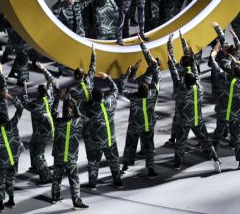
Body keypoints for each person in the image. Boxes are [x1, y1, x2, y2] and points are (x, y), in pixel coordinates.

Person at [167, 36, 221, 172]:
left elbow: (174, 70)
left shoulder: (181, 88)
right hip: (198, 120)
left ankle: (178, 163)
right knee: (206, 141)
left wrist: (169, 45)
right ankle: (215, 159)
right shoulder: (198, 86)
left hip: (184, 120)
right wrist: (187, 49)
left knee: (180, 142)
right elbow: (194, 70)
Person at [120, 42, 160, 178]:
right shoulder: (152, 96)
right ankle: (150, 170)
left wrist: (129, 73)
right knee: (149, 148)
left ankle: (125, 166)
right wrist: (154, 65)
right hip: (148, 126)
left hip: (134, 126)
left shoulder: (133, 98)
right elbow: (156, 77)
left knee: (130, 145)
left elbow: (123, 88)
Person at [84, 70, 125, 188]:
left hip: (96, 141)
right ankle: (118, 182)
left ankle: (92, 184)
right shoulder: (110, 101)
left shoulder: (91, 108)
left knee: (93, 162)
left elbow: (83, 111)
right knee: (114, 161)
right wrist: (108, 78)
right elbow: (115, 90)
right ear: (103, 95)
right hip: (110, 139)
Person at [50, 99, 89, 209]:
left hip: (59, 156)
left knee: (56, 177)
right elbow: (83, 117)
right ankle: (76, 202)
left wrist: (57, 99)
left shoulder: (57, 123)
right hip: (71, 158)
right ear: (72, 113)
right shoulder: (77, 123)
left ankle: (55, 197)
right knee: (74, 179)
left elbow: (52, 112)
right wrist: (76, 106)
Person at [24, 62, 58, 184]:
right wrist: (43, 69)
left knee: (38, 154)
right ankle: (35, 166)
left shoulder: (36, 105)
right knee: (33, 146)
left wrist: (24, 90)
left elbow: (24, 104)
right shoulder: (50, 97)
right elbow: (50, 79)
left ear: (38, 93)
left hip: (43, 132)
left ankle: (46, 176)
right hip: (45, 129)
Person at [0, 94, 24, 211]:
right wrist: (11, 98)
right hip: (14, 159)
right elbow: (20, 108)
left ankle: (0, 203)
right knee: (10, 180)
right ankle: (11, 200)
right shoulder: (12, 124)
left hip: (1, 162)